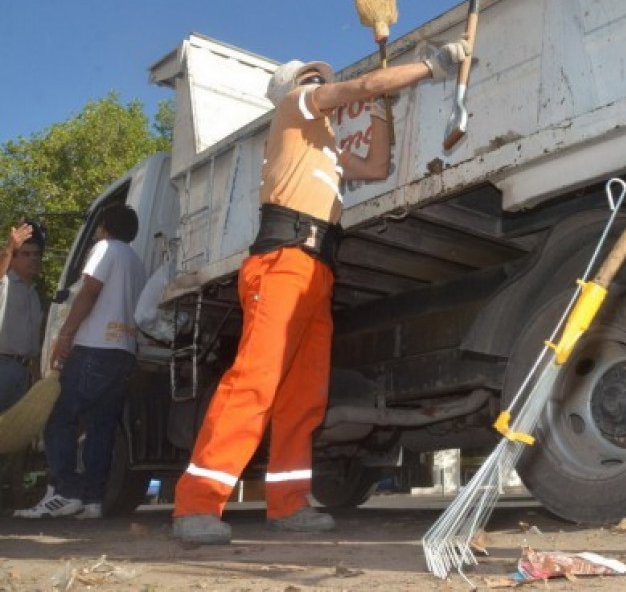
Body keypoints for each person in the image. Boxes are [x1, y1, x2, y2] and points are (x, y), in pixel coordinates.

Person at [171, 39, 471, 545]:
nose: (318, 82)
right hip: (281, 262)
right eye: (310, 77)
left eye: (318, 77)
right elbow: (357, 86)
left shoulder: (327, 150)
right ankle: (196, 504)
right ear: (295, 88)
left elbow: (376, 167)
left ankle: (287, 505)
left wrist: (380, 109)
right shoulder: (295, 107)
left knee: (303, 397)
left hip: (317, 269)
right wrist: (427, 67)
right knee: (254, 384)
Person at [15, 205, 147, 520]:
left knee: (59, 417)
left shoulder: (104, 248)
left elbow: (89, 291)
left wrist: (65, 335)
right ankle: (93, 500)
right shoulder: (136, 262)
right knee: (101, 428)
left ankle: (64, 492)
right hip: (124, 351)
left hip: (94, 348)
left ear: (103, 227)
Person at [0, 222, 45, 413]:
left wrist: (35, 375)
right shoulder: (5, 284)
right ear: (14, 259)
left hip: (24, 372)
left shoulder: (34, 293)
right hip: (3, 366)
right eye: (26, 254)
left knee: (14, 436)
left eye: (36, 254)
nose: (33, 259)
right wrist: (9, 248)